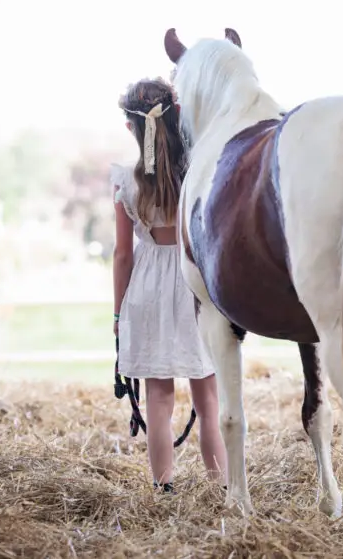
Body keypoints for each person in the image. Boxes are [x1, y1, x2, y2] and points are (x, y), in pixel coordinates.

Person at [111, 77, 227, 493]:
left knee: (158, 400)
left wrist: (117, 313)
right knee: (208, 401)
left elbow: (123, 255)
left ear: (130, 127)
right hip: (193, 286)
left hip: (146, 290)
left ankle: (164, 489)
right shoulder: (197, 171)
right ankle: (221, 488)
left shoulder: (126, 181)